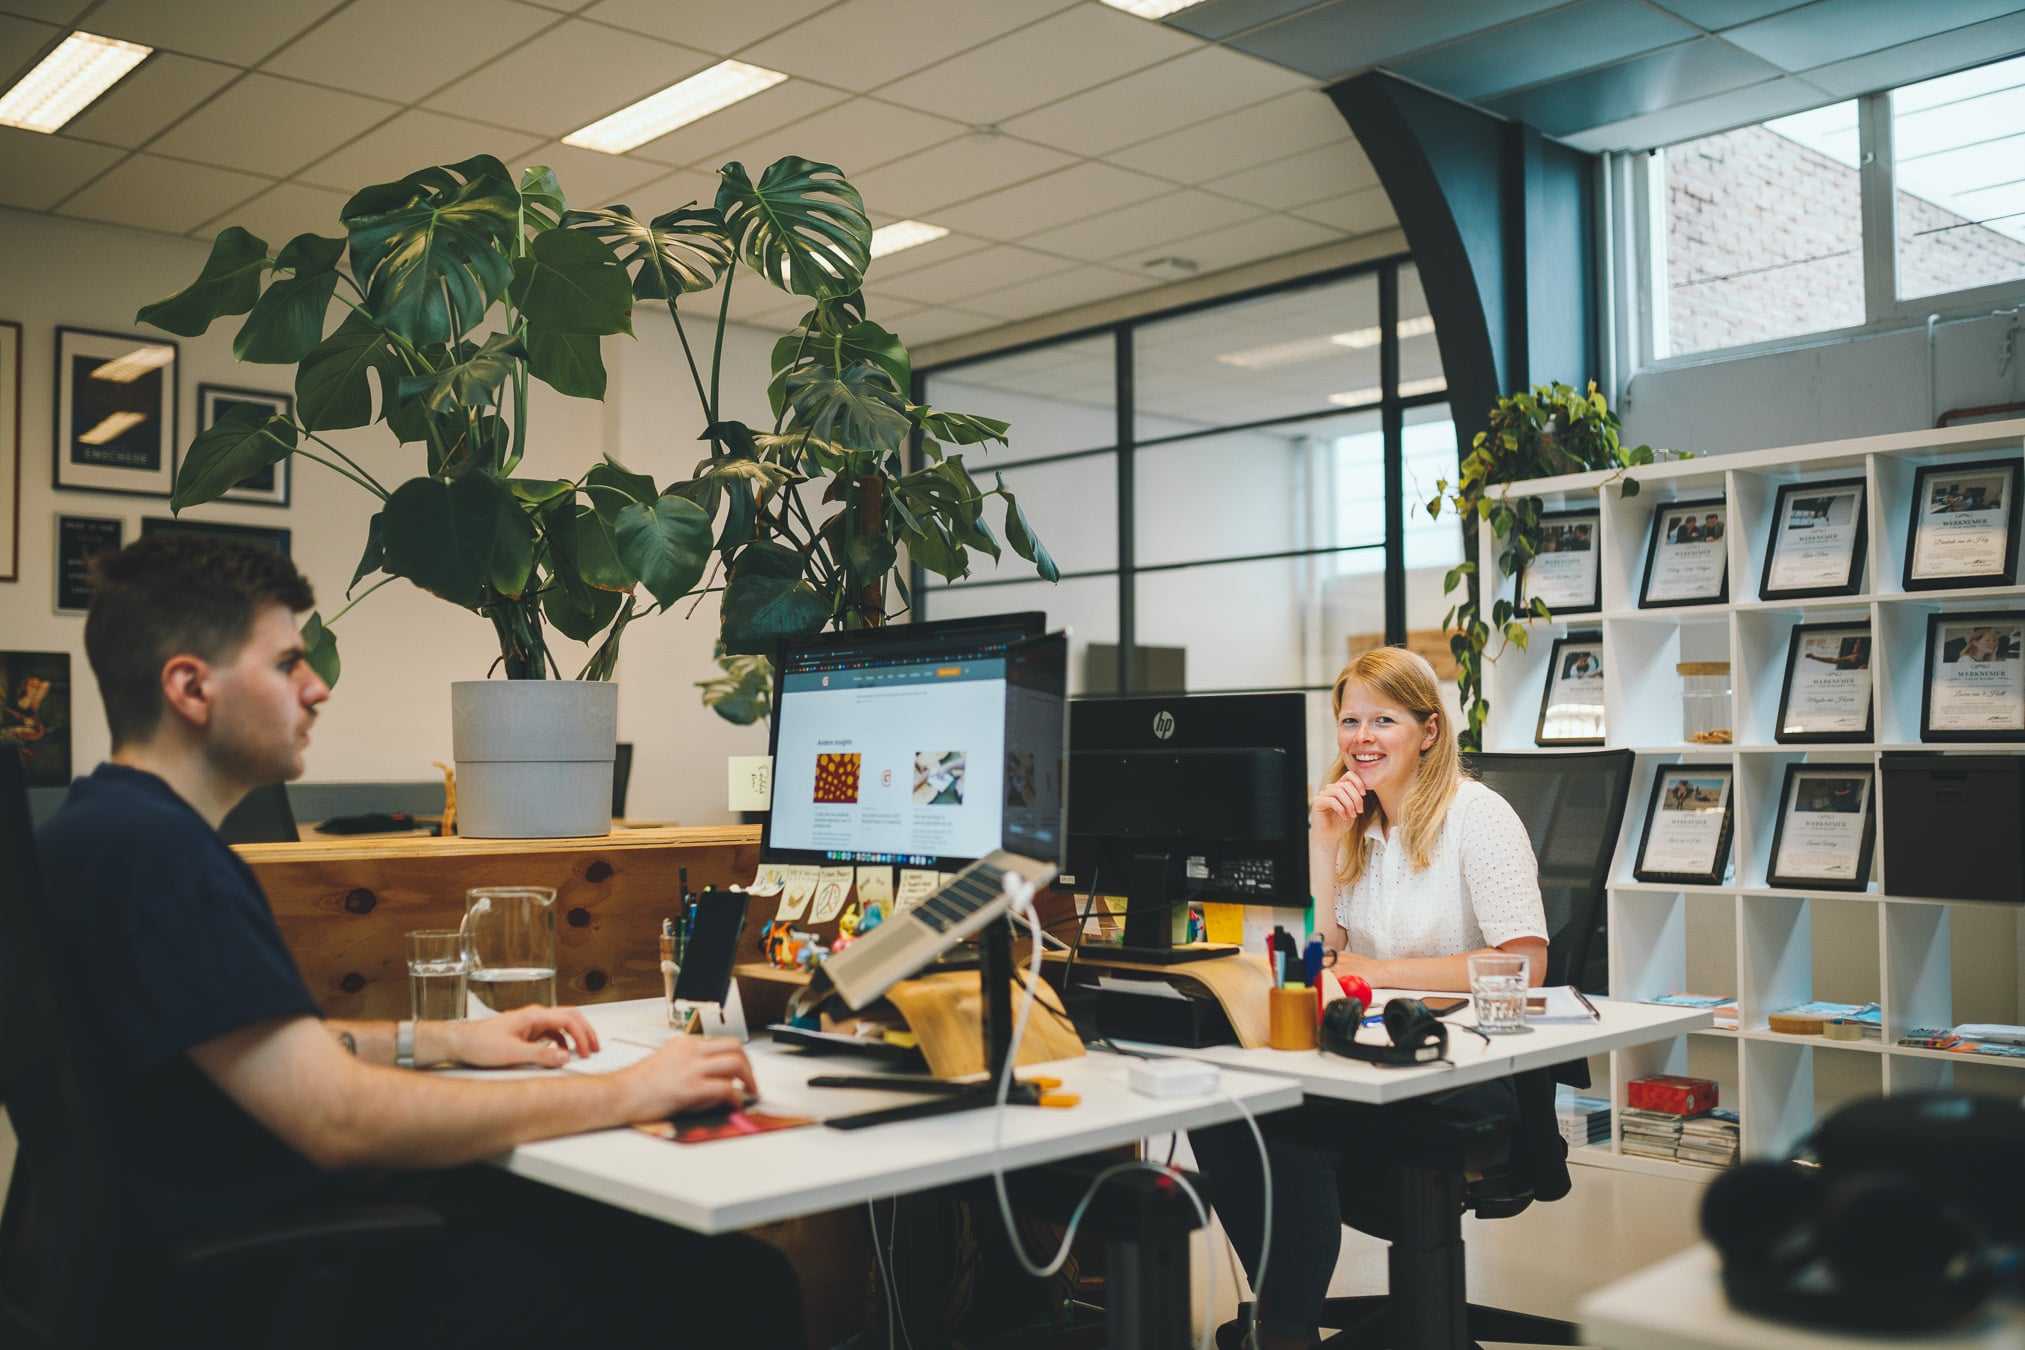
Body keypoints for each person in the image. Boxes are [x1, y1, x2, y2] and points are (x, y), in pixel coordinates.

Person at [31, 536, 801, 1348]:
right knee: (734, 1284)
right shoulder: (161, 857)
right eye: (288, 662)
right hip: (280, 1288)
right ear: (190, 686)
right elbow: (338, 1119)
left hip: (197, 1264)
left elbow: (256, 1053)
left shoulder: (96, 832)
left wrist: (442, 1039)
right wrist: (634, 1089)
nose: (317, 687)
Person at [1188, 647, 1551, 1350]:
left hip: (1464, 1067)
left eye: (1383, 719)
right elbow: (1323, 953)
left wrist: (1381, 972)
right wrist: (1322, 846)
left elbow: (1523, 965)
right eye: (1349, 719)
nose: (1361, 737)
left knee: (1291, 1132)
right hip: (1371, 1054)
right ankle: (1280, 1319)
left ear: (1428, 731)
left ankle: (1282, 1333)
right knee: (1225, 1112)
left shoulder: (1478, 816)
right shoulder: (1359, 826)